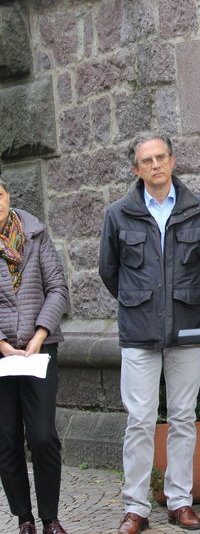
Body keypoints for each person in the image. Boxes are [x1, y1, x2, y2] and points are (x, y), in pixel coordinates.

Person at [99, 133, 200, 534]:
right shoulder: (118, 214)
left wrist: (186, 299)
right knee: (140, 421)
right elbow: (110, 271)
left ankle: (180, 501)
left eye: (161, 157)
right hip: (139, 333)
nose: (156, 165)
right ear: (135, 169)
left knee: (184, 418)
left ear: (172, 160)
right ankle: (136, 507)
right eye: (147, 160)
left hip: (187, 330)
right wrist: (142, 302)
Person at [0, 179, 69, 534]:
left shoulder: (35, 234)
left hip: (40, 349)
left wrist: (40, 334)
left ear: (7, 194)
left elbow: (57, 287)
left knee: (43, 436)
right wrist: (1, 343)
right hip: (1, 354)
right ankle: (24, 518)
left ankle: (50, 518)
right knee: (6, 437)